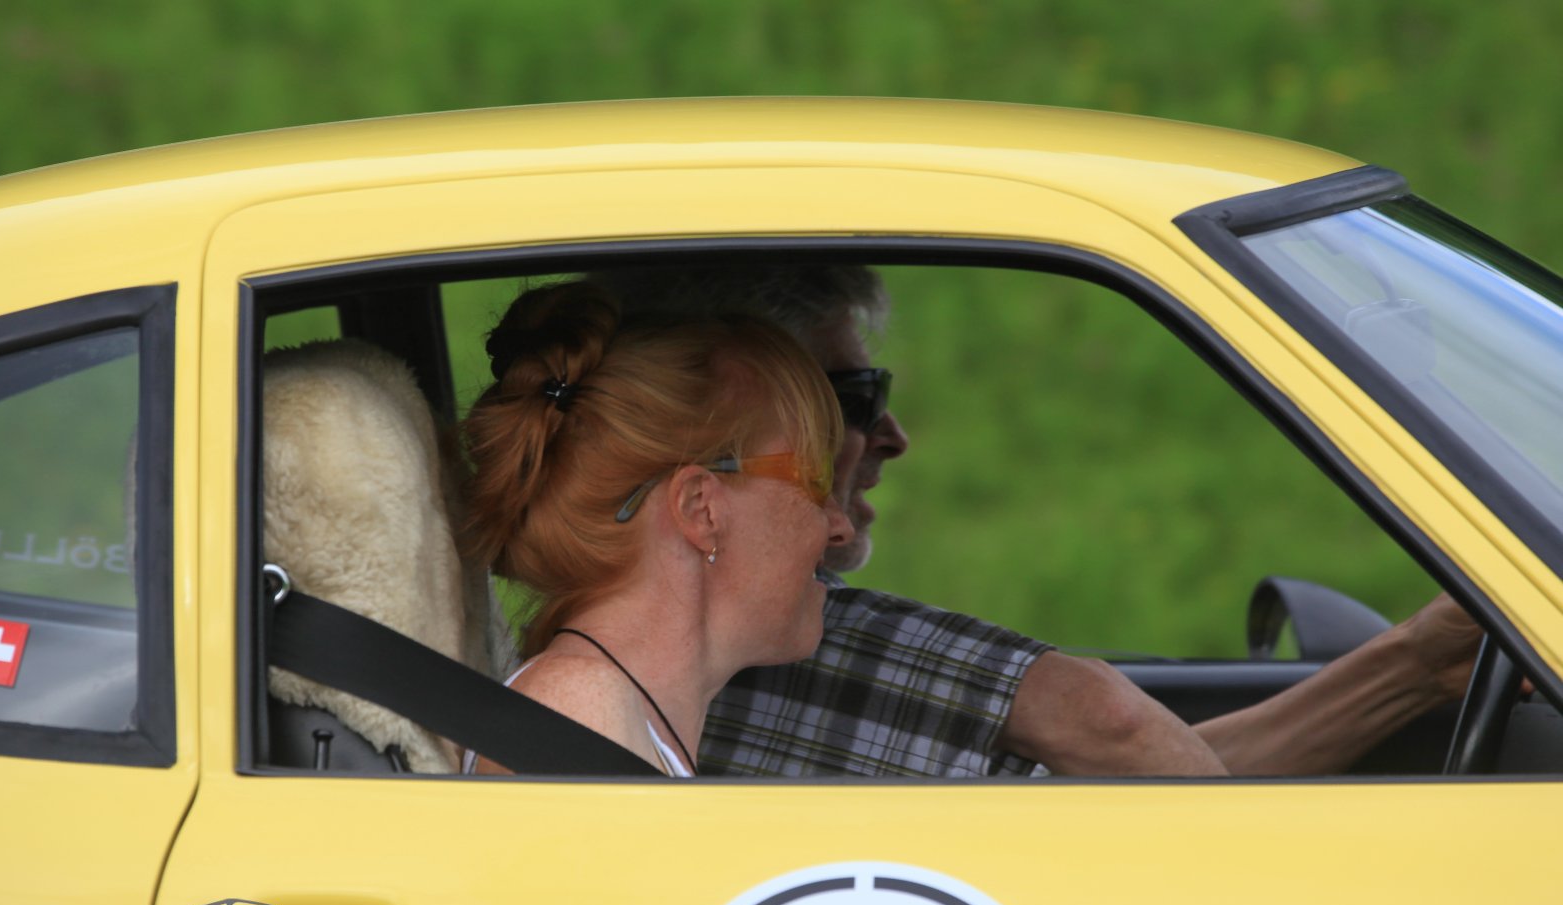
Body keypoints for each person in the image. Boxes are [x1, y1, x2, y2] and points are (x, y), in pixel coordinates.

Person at [588, 263, 1486, 778]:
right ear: (702, 479)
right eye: (851, 400)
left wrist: (1414, 667)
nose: (893, 436)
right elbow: (1117, 733)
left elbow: (1147, 778)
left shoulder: (612, 649)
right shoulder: (760, 646)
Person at [458, 281, 854, 776]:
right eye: (815, 477)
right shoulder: (580, 707)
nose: (840, 527)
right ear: (700, 508)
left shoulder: (602, 712)